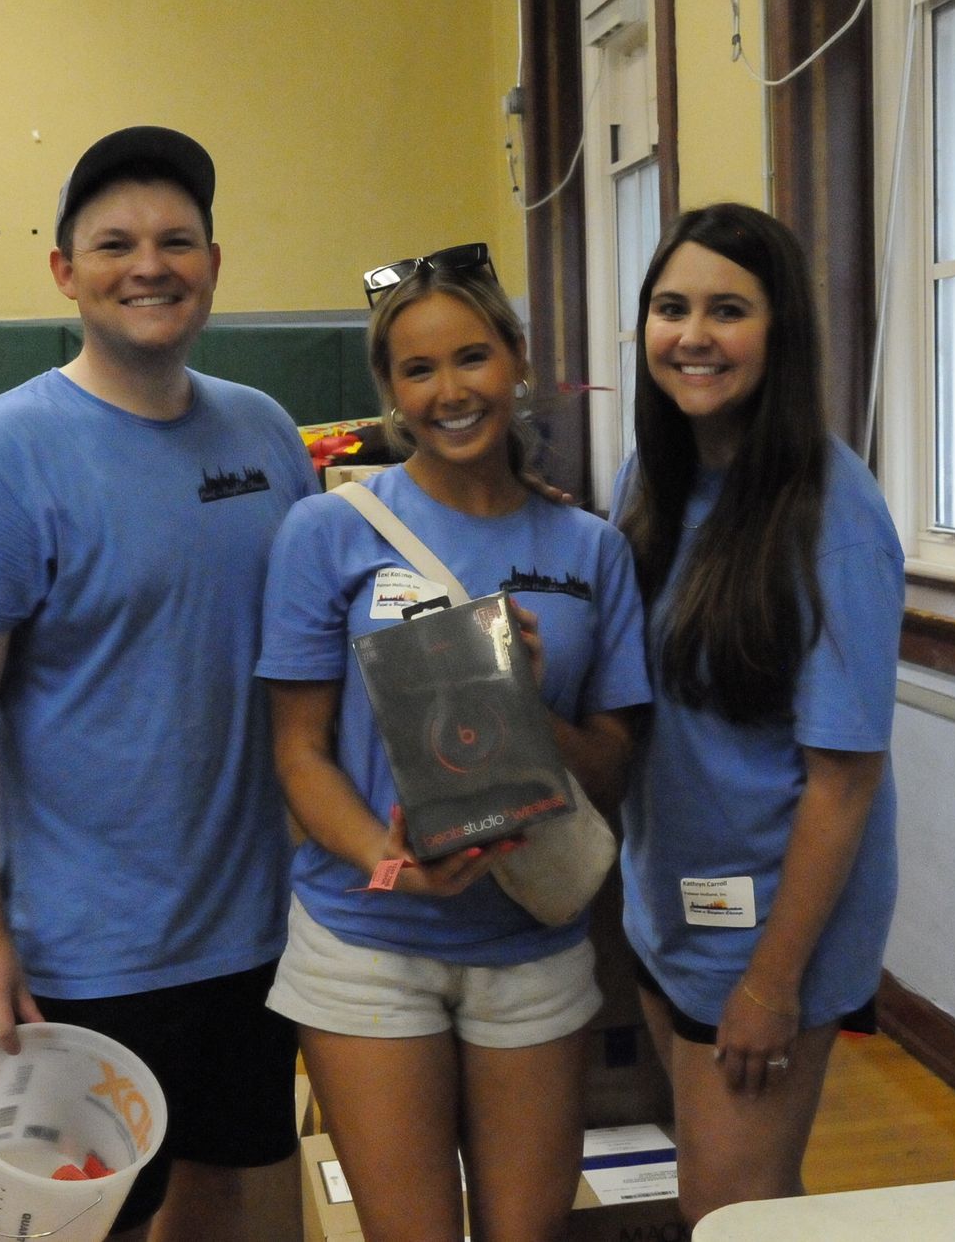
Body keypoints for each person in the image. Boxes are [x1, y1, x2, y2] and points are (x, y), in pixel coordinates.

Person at [0, 126, 316, 1242]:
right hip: (84, 949)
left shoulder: (266, 434)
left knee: (223, 1186)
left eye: (178, 240)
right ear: (64, 272)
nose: (151, 265)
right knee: (87, 1223)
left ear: (215, 265)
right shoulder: (0, 454)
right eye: (116, 243)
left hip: (255, 928)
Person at [255, 245, 651, 1242]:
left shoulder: (590, 551)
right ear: (389, 389)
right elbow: (298, 753)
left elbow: (611, 764)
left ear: (515, 358)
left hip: (533, 943)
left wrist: (525, 701)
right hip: (366, 941)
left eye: (472, 358)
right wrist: (385, 863)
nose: (451, 391)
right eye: (418, 370)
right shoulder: (327, 533)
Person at [613, 203, 905, 1226]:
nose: (693, 335)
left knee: (727, 1210)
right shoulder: (651, 479)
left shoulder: (834, 518)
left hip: (771, 933)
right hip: (670, 906)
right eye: (671, 307)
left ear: (780, 333)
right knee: (756, 1199)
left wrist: (772, 983)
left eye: (727, 310)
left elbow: (845, 779)